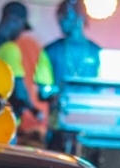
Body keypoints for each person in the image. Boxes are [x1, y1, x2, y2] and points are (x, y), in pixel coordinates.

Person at [34, 0, 101, 152]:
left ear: (80, 16)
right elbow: (42, 91)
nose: (60, 21)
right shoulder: (50, 51)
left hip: (89, 128)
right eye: (59, 16)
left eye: (65, 16)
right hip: (59, 127)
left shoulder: (97, 53)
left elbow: (102, 91)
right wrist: (55, 93)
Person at [0, 1, 42, 122]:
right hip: (0, 116)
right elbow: (19, 88)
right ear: (15, 20)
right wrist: (34, 110)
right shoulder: (8, 48)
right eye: (22, 26)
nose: (20, 33)